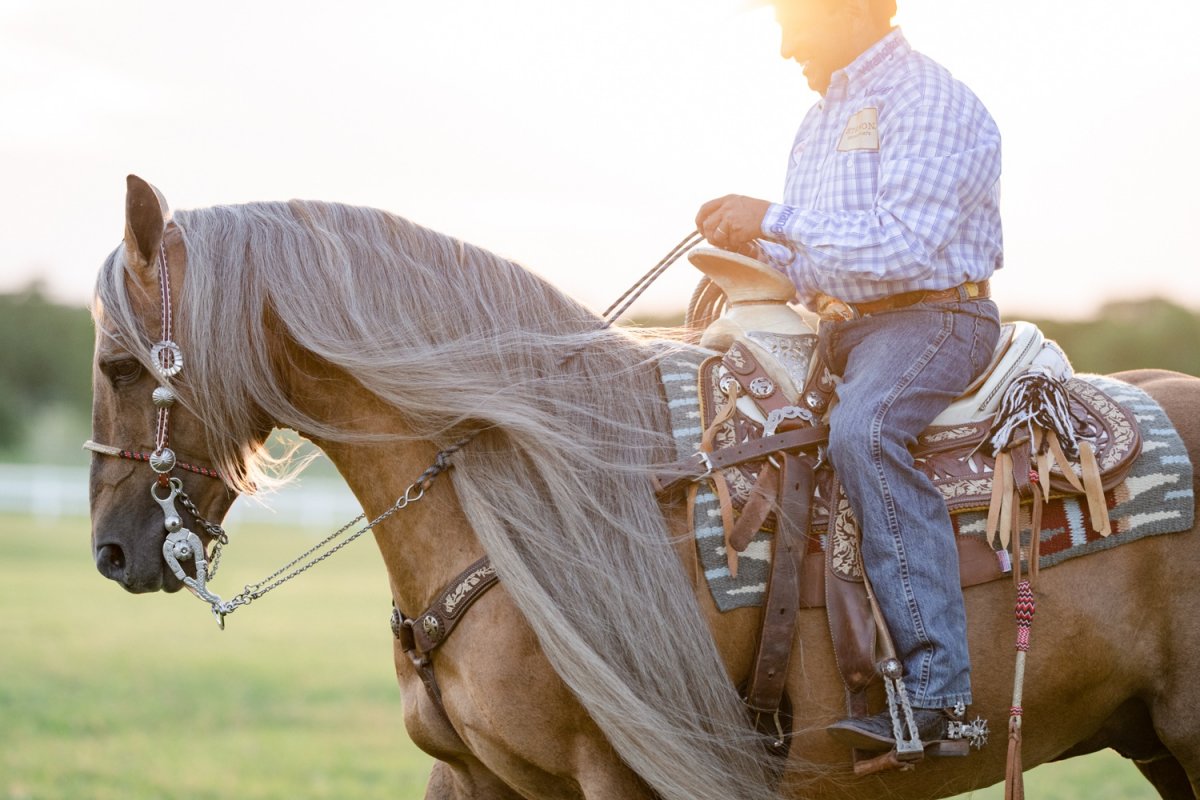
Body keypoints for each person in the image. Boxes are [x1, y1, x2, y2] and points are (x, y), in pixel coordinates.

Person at [695, 0, 1003, 750]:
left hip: (933, 320)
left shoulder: (930, 101)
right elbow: (816, 257)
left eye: (791, 18)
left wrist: (773, 217)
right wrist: (752, 253)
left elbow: (904, 245)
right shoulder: (821, 118)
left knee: (864, 433)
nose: (784, 45)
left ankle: (941, 697)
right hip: (843, 325)